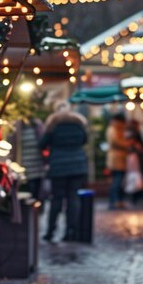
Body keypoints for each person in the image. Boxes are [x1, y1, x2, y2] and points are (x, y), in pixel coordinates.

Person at [39, 101, 88, 242]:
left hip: (58, 166)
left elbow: (42, 144)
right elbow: (85, 140)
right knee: (73, 198)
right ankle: (70, 231)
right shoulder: (79, 124)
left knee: (57, 199)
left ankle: (50, 231)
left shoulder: (53, 125)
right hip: (78, 165)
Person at [12, 117, 46, 203]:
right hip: (25, 164)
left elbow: (43, 142)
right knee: (30, 188)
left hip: (38, 163)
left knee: (37, 189)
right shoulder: (18, 126)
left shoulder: (38, 125)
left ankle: (37, 210)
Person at [105, 112, 130, 209]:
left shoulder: (116, 128)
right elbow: (116, 141)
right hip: (117, 159)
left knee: (118, 181)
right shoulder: (114, 129)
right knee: (117, 181)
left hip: (118, 158)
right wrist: (127, 144)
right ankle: (114, 202)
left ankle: (117, 201)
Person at [124, 119, 143, 207]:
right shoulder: (132, 134)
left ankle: (134, 197)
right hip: (133, 158)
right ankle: (134, 197)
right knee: (134, 177)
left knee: (134, 177)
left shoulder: (130, 133)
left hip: (134, 157)